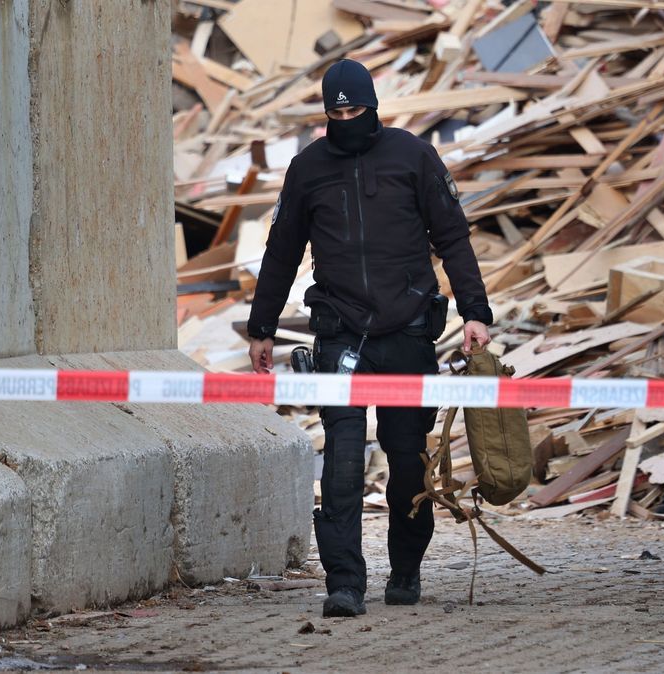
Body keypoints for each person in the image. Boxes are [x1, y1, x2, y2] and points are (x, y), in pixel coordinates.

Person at [247, 59, 493, 618]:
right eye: (335, 112)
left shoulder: (412, 156)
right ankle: (345, 584)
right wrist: (262, 326)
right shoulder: (307, 169)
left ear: (373, 107)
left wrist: (476, 312)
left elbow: (453, 237)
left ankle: (405, 570)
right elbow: (282, 250)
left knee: (407, 460)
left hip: (407, 332)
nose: (345, 119)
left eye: (354, 110)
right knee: (341, 461)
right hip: (339, 332)